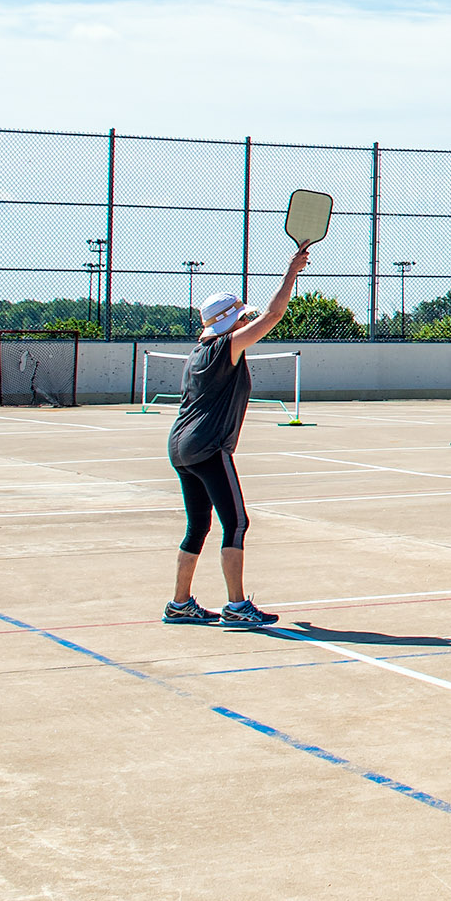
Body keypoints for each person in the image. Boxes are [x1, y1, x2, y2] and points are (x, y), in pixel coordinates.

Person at [165, 242, 313, 628]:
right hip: (209, 447)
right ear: (230, 321)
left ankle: (180, 604)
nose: (245, 322)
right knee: (237, 523)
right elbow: (274, 314)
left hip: (181, 447)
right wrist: (291, 273)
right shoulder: (224, 348)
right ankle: (235, 606)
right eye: (240, 318)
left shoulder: (198, 353)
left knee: (198, 526)